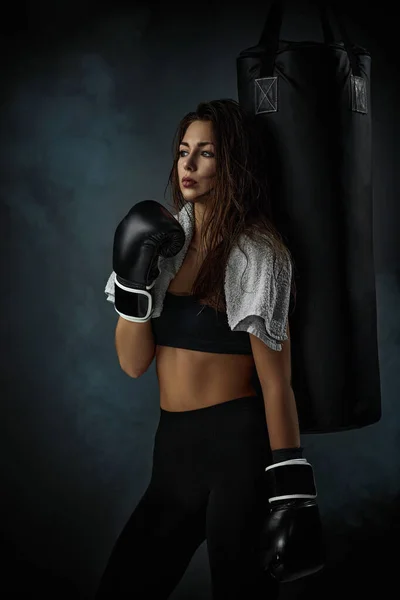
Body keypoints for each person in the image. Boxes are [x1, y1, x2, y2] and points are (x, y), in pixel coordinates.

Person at [97, 99, 324, 599]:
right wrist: (135, 279)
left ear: (233, 164)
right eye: (183, 152)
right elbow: (134, 365)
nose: (189, 165)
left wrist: (292, 493)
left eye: (206, 153)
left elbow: (274, 381)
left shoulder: (259, 252)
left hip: (238, 452)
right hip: (172, 453)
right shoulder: (159, 242)